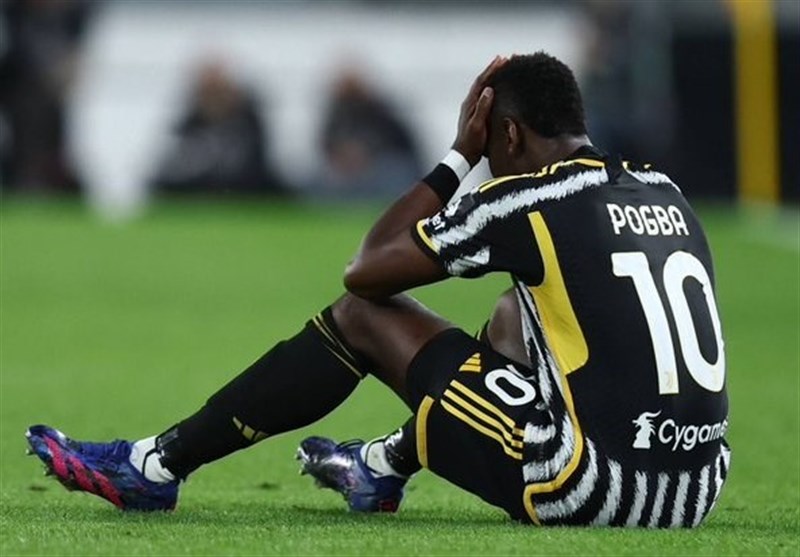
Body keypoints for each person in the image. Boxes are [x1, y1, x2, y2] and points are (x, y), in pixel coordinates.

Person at [26, 53, 730, 527]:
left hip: (597, 488)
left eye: (491, 146)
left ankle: (156, 465)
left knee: (362, 317)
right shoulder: (662, 189)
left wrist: (458, 155)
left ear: (509, 134)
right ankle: (380, 465)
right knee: (514, 316)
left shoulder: (526, 200)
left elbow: (367, 270)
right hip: (696, 486)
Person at [150, 59, 288, 196]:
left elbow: (255, 170)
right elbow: (174, 173)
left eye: (218, 91)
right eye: (209, 92)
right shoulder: (187, 128)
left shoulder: (249, 125)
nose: (214, 98)